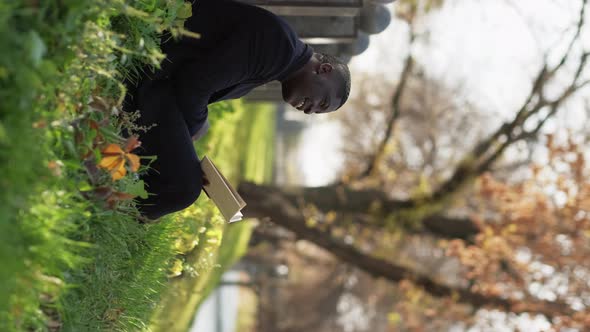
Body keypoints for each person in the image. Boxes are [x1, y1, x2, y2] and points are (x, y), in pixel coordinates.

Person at [124, 0, 351, 220]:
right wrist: (194, 126)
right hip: (153, 72)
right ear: (324, 69)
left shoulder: (281, 59)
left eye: (318, 112)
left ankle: (122, 189)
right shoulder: (277, 47)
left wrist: (193, 127)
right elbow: (195, 84)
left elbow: (198, 83)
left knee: (180, 171)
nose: (310, 111)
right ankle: (120, 206)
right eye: (322, 102)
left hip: (164, 80)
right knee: (185, 188)